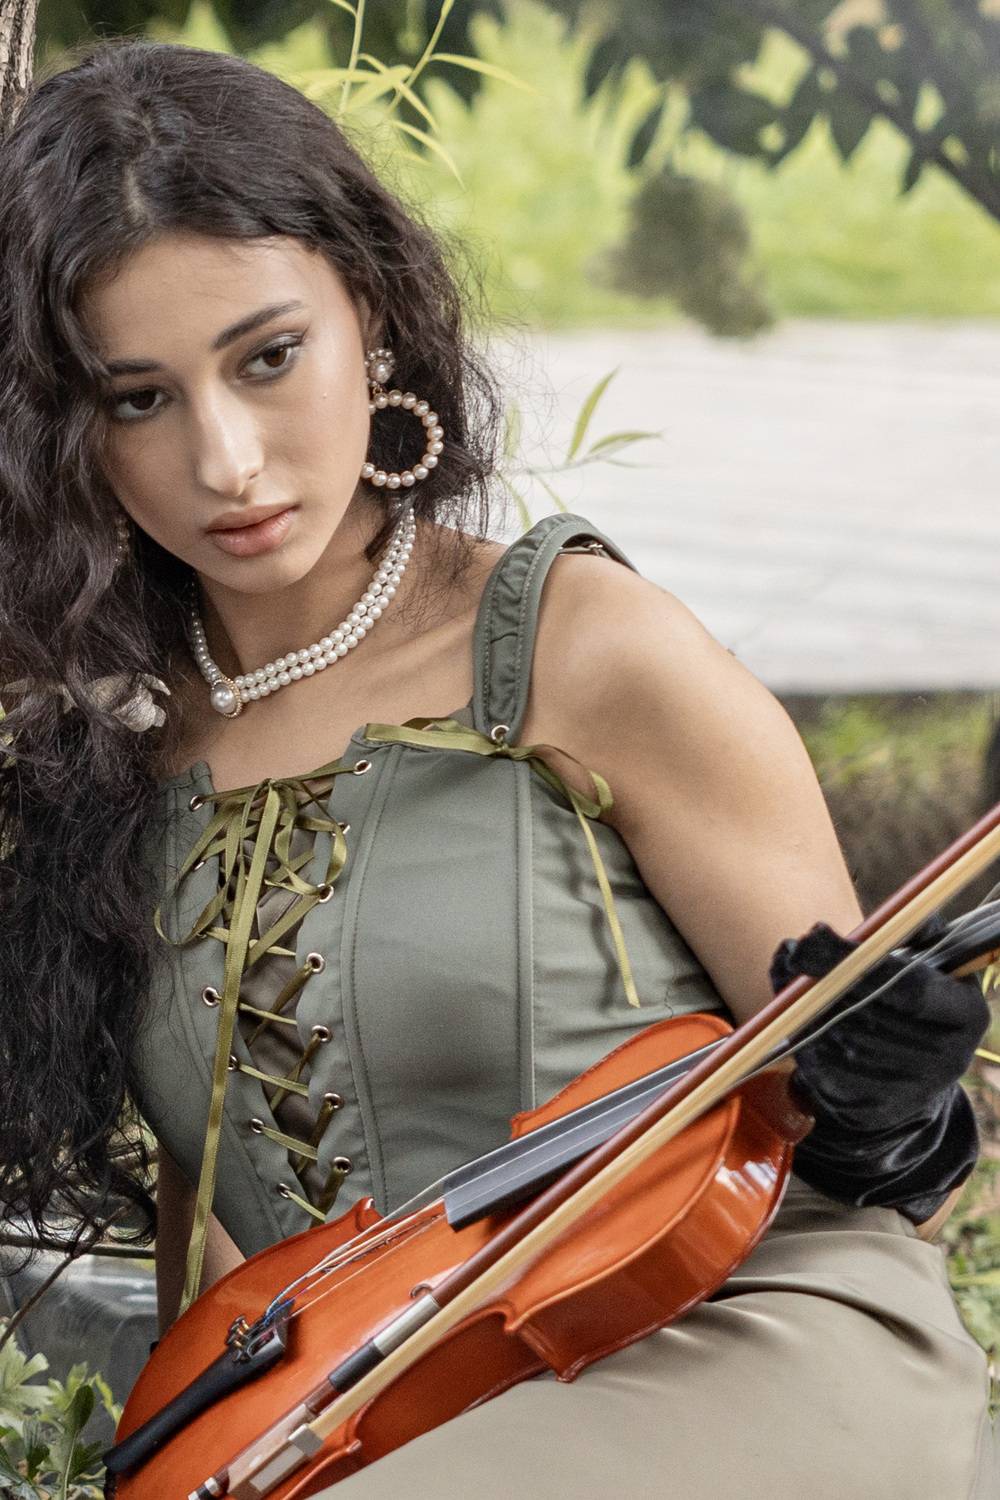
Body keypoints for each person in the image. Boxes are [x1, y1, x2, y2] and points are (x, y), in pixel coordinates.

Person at [0, 38, 994, 1500]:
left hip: (731, 1339)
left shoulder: (586, 649)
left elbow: (887, 1164)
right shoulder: (117, 755)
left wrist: (891, 1103)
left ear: (372, 316)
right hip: (368, 1414)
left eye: (269, 358)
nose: (228, 461)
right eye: (137, 398)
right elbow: (211, 1248)